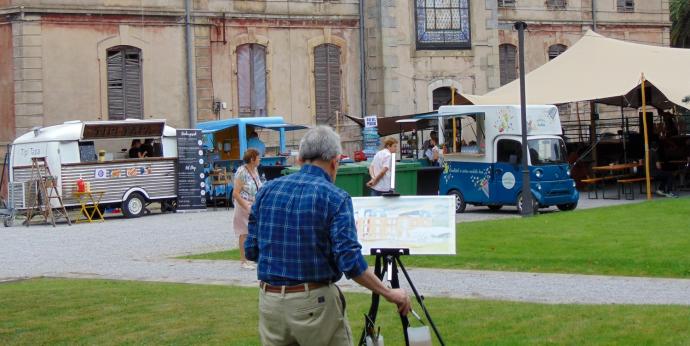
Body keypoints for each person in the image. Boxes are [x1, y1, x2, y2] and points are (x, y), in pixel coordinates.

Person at [245, 126, 411, 346]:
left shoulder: (267, 190)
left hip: (270, 302)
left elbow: (251, 250)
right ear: (334, 162)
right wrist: (389, 293)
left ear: (301, 159)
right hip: (314, 302)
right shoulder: (335, 197)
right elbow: (350, 262)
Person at [233, 148, 263, 270]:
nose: (260, 159)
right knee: (244, 232)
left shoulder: (255, 170)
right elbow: (236, 193)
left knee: (254, 231)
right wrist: (246, 206)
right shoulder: (241, 172)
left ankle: (253, 258)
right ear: (252, 159)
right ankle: (243, 260)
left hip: (254, 204)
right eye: (258, 157)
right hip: (243, 205)